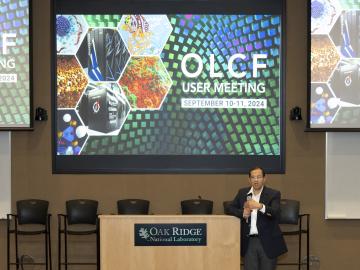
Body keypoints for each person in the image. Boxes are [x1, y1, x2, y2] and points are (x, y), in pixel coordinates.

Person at [226, 166, 287, 270]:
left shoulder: (273, 194)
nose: (256, 180)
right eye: (253, 177)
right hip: (249, 241)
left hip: (268, 241)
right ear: (249, 179)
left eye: (259, 177)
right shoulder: (243, 193)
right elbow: (229, 208)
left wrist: (260, 206)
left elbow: (276, 213)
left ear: (264, 178)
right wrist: (242, 213)